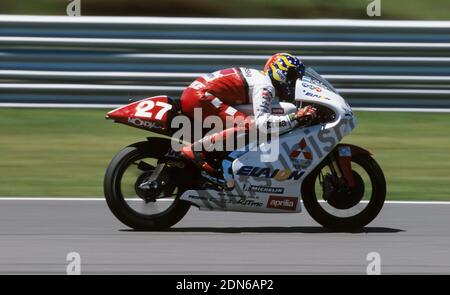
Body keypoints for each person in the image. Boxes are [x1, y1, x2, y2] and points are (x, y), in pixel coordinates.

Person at [179, 52, 317, 174]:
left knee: (242, 119)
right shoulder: (266, 85)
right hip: (201, 97)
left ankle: (216, 156)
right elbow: (262, 123)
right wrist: (294, 117)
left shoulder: (260, 78)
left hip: (199, 95)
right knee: (250, 125)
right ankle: (196, 149)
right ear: (280, 71)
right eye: (292, 76)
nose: (293, 83)